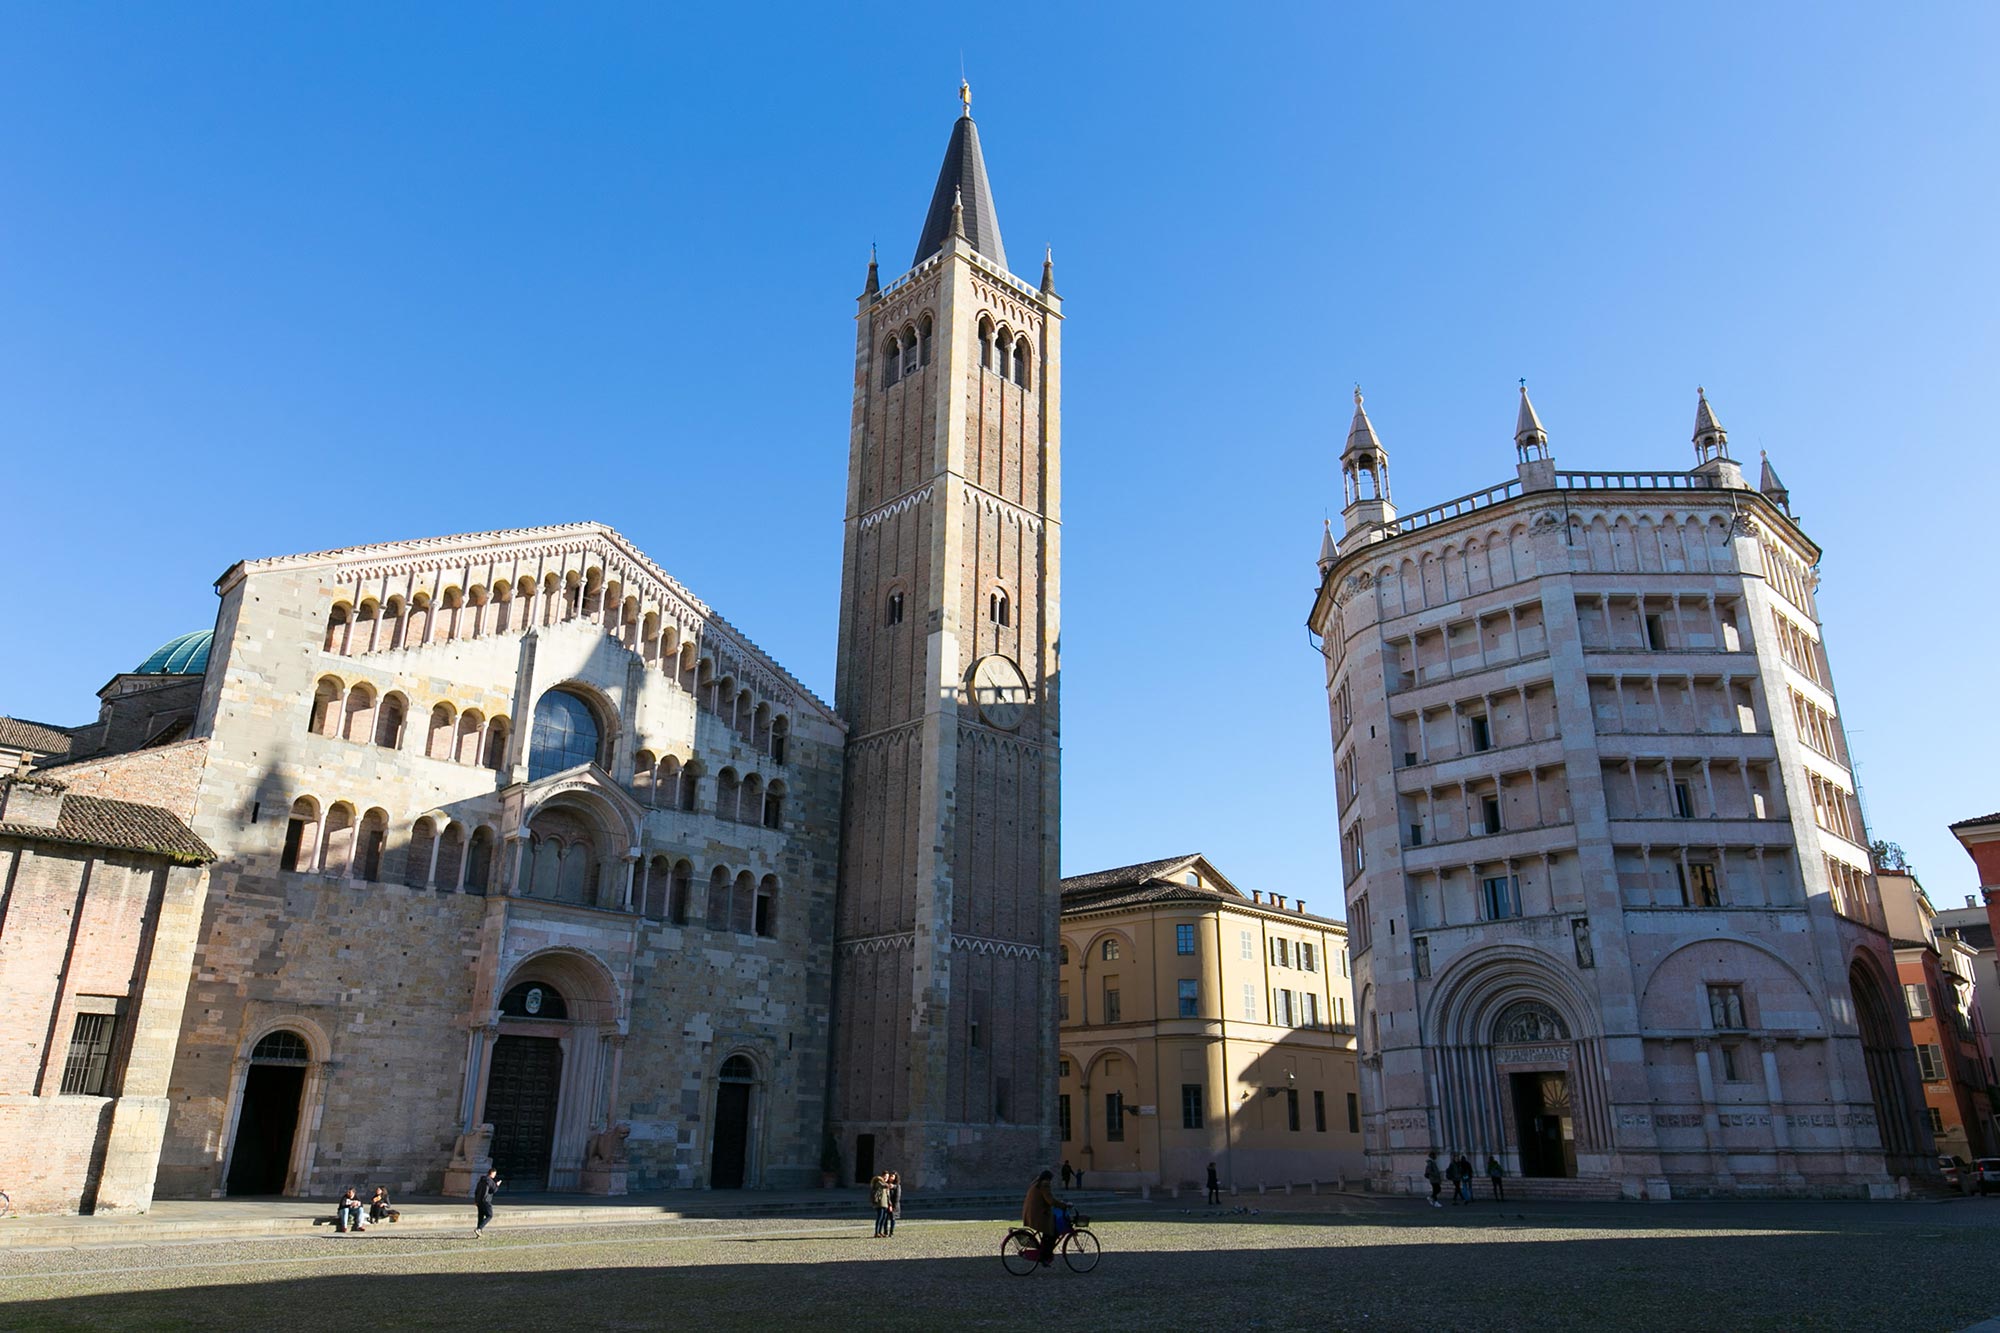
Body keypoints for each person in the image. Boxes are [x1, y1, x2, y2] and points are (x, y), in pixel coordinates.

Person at [1021, 1169, 1067, 1265]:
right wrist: (1063, 1205)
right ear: (1048, 1178)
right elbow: (1050, 1201)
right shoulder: (1045, 1184)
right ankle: (1045, 1256)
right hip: (1039, 1215)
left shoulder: (1036, 1184)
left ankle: (1044, 1253)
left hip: (1031, 1214)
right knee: (1053, 1233)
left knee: (1049, 1233)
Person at [473, 1167, 501, 1237]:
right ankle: (479, 1229)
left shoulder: (481, 1180)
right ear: (493, 1173)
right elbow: (494, 1190)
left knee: (481, 1217)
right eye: (494, 1174)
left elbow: (476, 1191)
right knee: (489, 1215)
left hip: (479, 1200)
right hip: (486, 1200)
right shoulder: (490, 1181)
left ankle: (479, 1232)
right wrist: (497, 1185)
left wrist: (476, 1200)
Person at [885, 1171, 901, 1236]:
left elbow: (897, 1197)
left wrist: (892, 1205)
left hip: (894, 1205)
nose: (891, 1178)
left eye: (892, 1176)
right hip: (886, 1204)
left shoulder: (897, 1186)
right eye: (890, 1176)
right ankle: (885, 1231)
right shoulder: (886, 1184)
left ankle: (891, 1232)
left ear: (895, 1177)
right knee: (885, 1218)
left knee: (892, 1218)